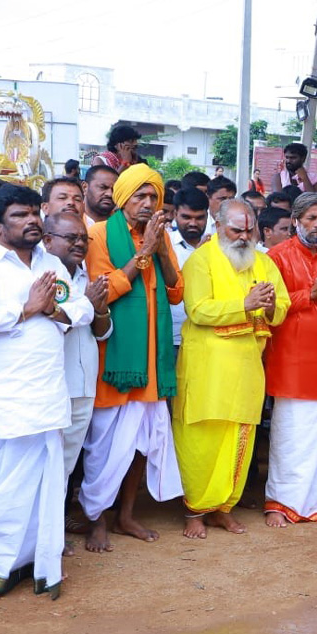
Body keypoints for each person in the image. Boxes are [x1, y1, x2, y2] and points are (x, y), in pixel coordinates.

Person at [0, 184, 93, 602]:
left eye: (34, 213)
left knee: (42, 487)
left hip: (46, 393)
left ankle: (34, 561)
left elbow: (82, 308)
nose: (32, 220)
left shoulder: (51, 262)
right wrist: (28, 308)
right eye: (19, 215)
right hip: (0, 398)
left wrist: (55, 310)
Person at [80, 165, 185, 553]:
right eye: (139, 196)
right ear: (122, 199)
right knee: (105, 447)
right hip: (115, 360)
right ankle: (97, 521)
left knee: (141, 444)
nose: (147, 203)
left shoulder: (162, 237)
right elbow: (102, 292)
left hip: (153, 364)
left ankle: (125, 515)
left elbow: (176, 293)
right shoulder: (99, 234)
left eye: (153, 197)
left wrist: (159, 251)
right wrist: (142, 255)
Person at [174, 201, 288, 537]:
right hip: (207, 367)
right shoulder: (201, 261)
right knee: (201, 440)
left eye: (248, 230)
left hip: (246, 364)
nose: (243, 236)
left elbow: (282, 304)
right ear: (219, 225)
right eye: (236, 230)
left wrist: (268, 309)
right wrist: (245, 305)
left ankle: (223, 507)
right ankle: (195, 510)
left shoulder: (263, 262)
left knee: (239, 435)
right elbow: (198, 309)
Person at [263, 194, 317, 525]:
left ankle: (313, 500)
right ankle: (280, 502)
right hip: (290, 359)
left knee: (316, 438)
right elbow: (272, 305)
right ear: (297, 220)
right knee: (290, 437)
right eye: (311, 219)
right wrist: (310, 294)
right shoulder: (277, 256)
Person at [40, 213, 112, 553]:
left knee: (66, 467)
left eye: (83, 238)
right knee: (46, 466)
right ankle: (42, 537)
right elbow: (53, 326)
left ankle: (52, 533)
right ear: (47, 239)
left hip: (84, 383)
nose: (79, 243)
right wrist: (82, 307)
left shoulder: (87, 275)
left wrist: (97, 310)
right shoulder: (43, 276)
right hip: (54, 386)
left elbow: (102, 332)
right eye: (71, 238)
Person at [170, 187, 209, 350]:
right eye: (186, 217)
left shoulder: (217, 247)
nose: (193, 223)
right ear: (174, 215)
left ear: (208, 216)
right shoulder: (163, 244)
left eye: (199, 218)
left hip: (206, 338)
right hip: (171, 339)